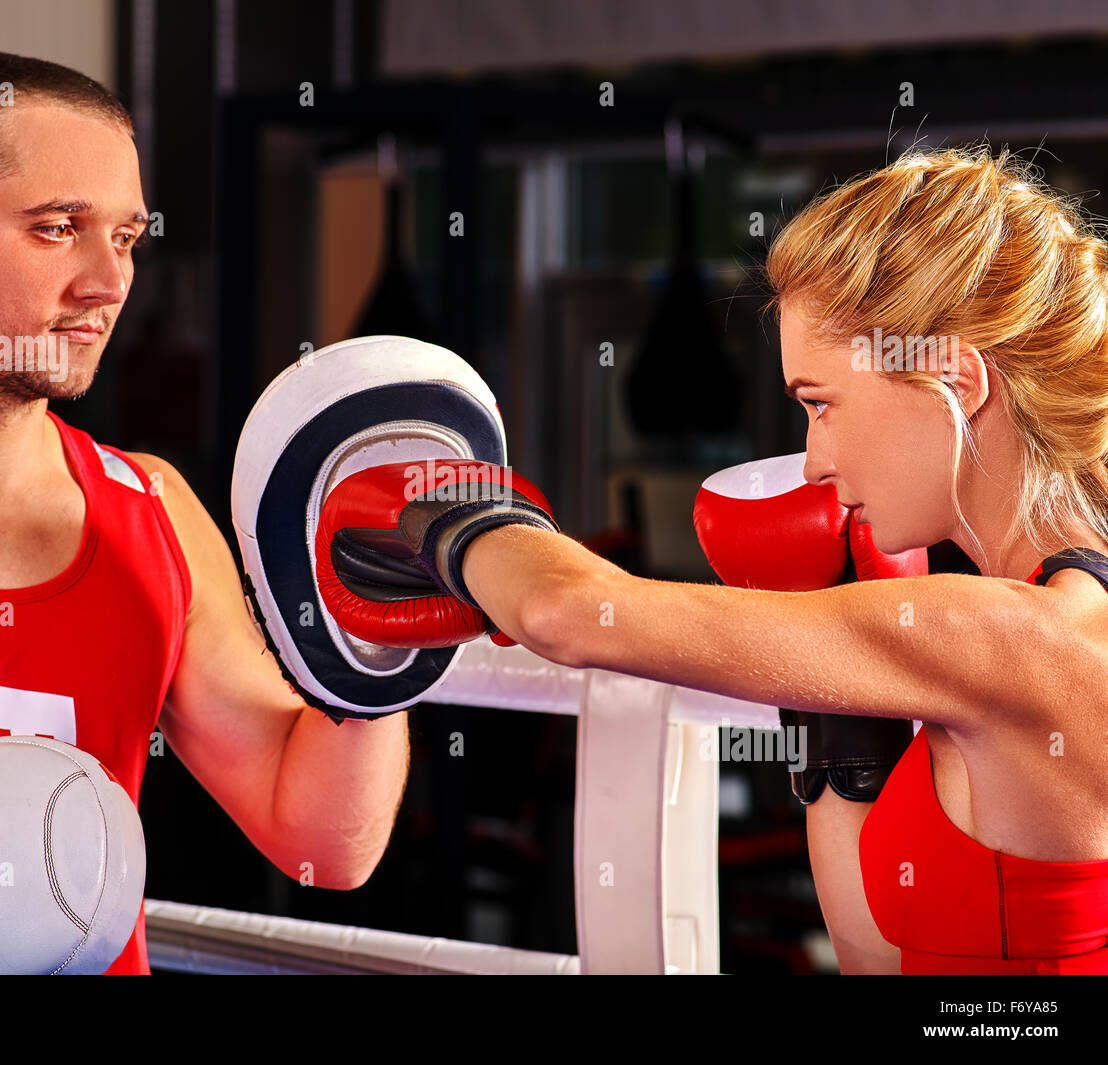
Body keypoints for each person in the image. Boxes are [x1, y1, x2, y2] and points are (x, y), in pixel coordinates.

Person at [324, 146, 1108, 973]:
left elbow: (567, 612)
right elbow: (880, 955)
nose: (812, 461)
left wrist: (446, 517)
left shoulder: (1007, 636)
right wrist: (839, 722)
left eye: (822, 404)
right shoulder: (1014, 623)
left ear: (958, 380)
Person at [0, 52, 408, 974]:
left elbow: (324, 845)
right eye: (58, 228)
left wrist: (377, 641)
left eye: (125, 236)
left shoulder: (153, 508)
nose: (108, 280)